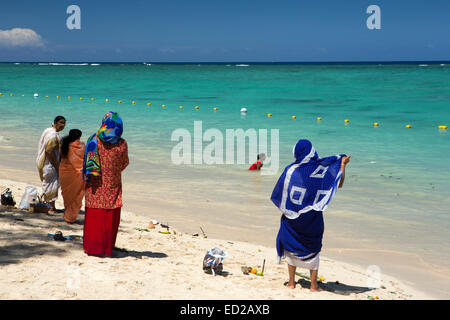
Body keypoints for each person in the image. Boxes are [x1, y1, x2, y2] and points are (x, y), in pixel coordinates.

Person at [270, 139, 350, 292]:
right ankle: (313, 286)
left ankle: (292, 283)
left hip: (293, 217)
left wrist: (292, 210)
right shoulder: (319, 171)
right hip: (312, 218)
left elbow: (282, 192)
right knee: (313, 246)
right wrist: (342, 165)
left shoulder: (291, 170)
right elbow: (337, 183)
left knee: (291, 245)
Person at [82, 112, 129, 257]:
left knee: (94, 216)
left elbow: (87, 163)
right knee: (110, 217)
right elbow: (124, 163)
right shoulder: (121, 144)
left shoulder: (93, 140)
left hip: (95, 186)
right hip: (112, 185)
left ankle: (92, 248)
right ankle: (107, 248)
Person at [36, 116, 66, 213]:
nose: (63, 125)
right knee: (51, 185)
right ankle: (50, 207)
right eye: (61, 123)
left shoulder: (48, 130)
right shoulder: (52, 135)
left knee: (48, 184)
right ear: (55, 122)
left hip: (42, 161)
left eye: (64, 123)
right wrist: (56, 164)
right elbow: (49, 151)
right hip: (48, 163)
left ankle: (48, 205)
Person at [59, 129, 86, 223]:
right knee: (77, 195)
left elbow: (61, 158)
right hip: (76, 174)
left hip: (64, 173)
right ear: (79, 136)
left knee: (66, 194)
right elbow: (84, 159)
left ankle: (68, 213)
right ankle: (70, 217)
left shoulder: (64, 145)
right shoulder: (81, 146)